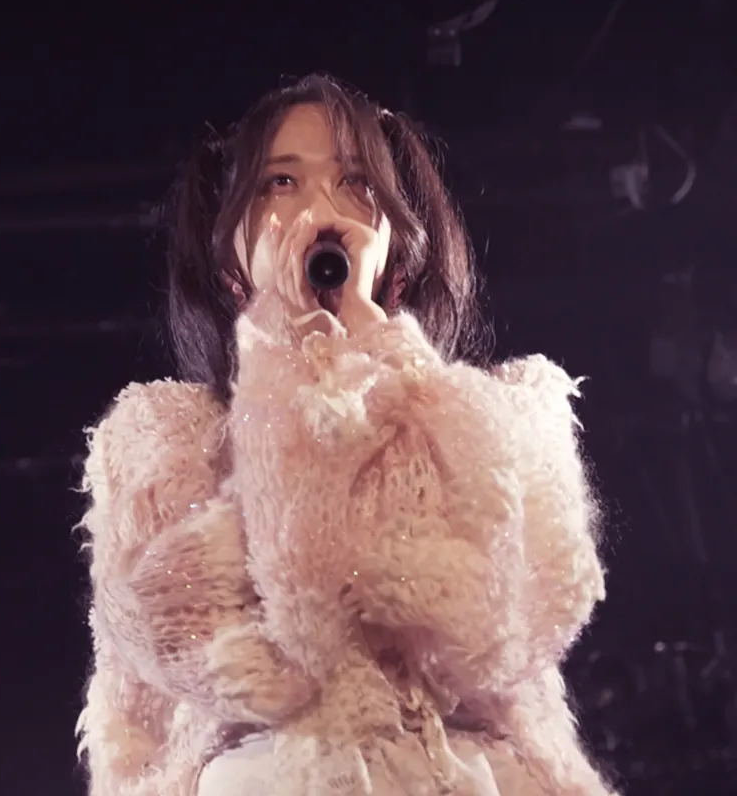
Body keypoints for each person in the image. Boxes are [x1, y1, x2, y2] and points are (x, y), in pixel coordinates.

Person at [76, 73, 615, 796]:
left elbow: (493, 631)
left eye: (356, 183)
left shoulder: (505, 415)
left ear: (399, 245)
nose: (320, 212)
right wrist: (283, 366)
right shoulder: (158, 441)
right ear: (228, 256)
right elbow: (259, 659)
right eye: (281, 183)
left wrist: (381, 354)